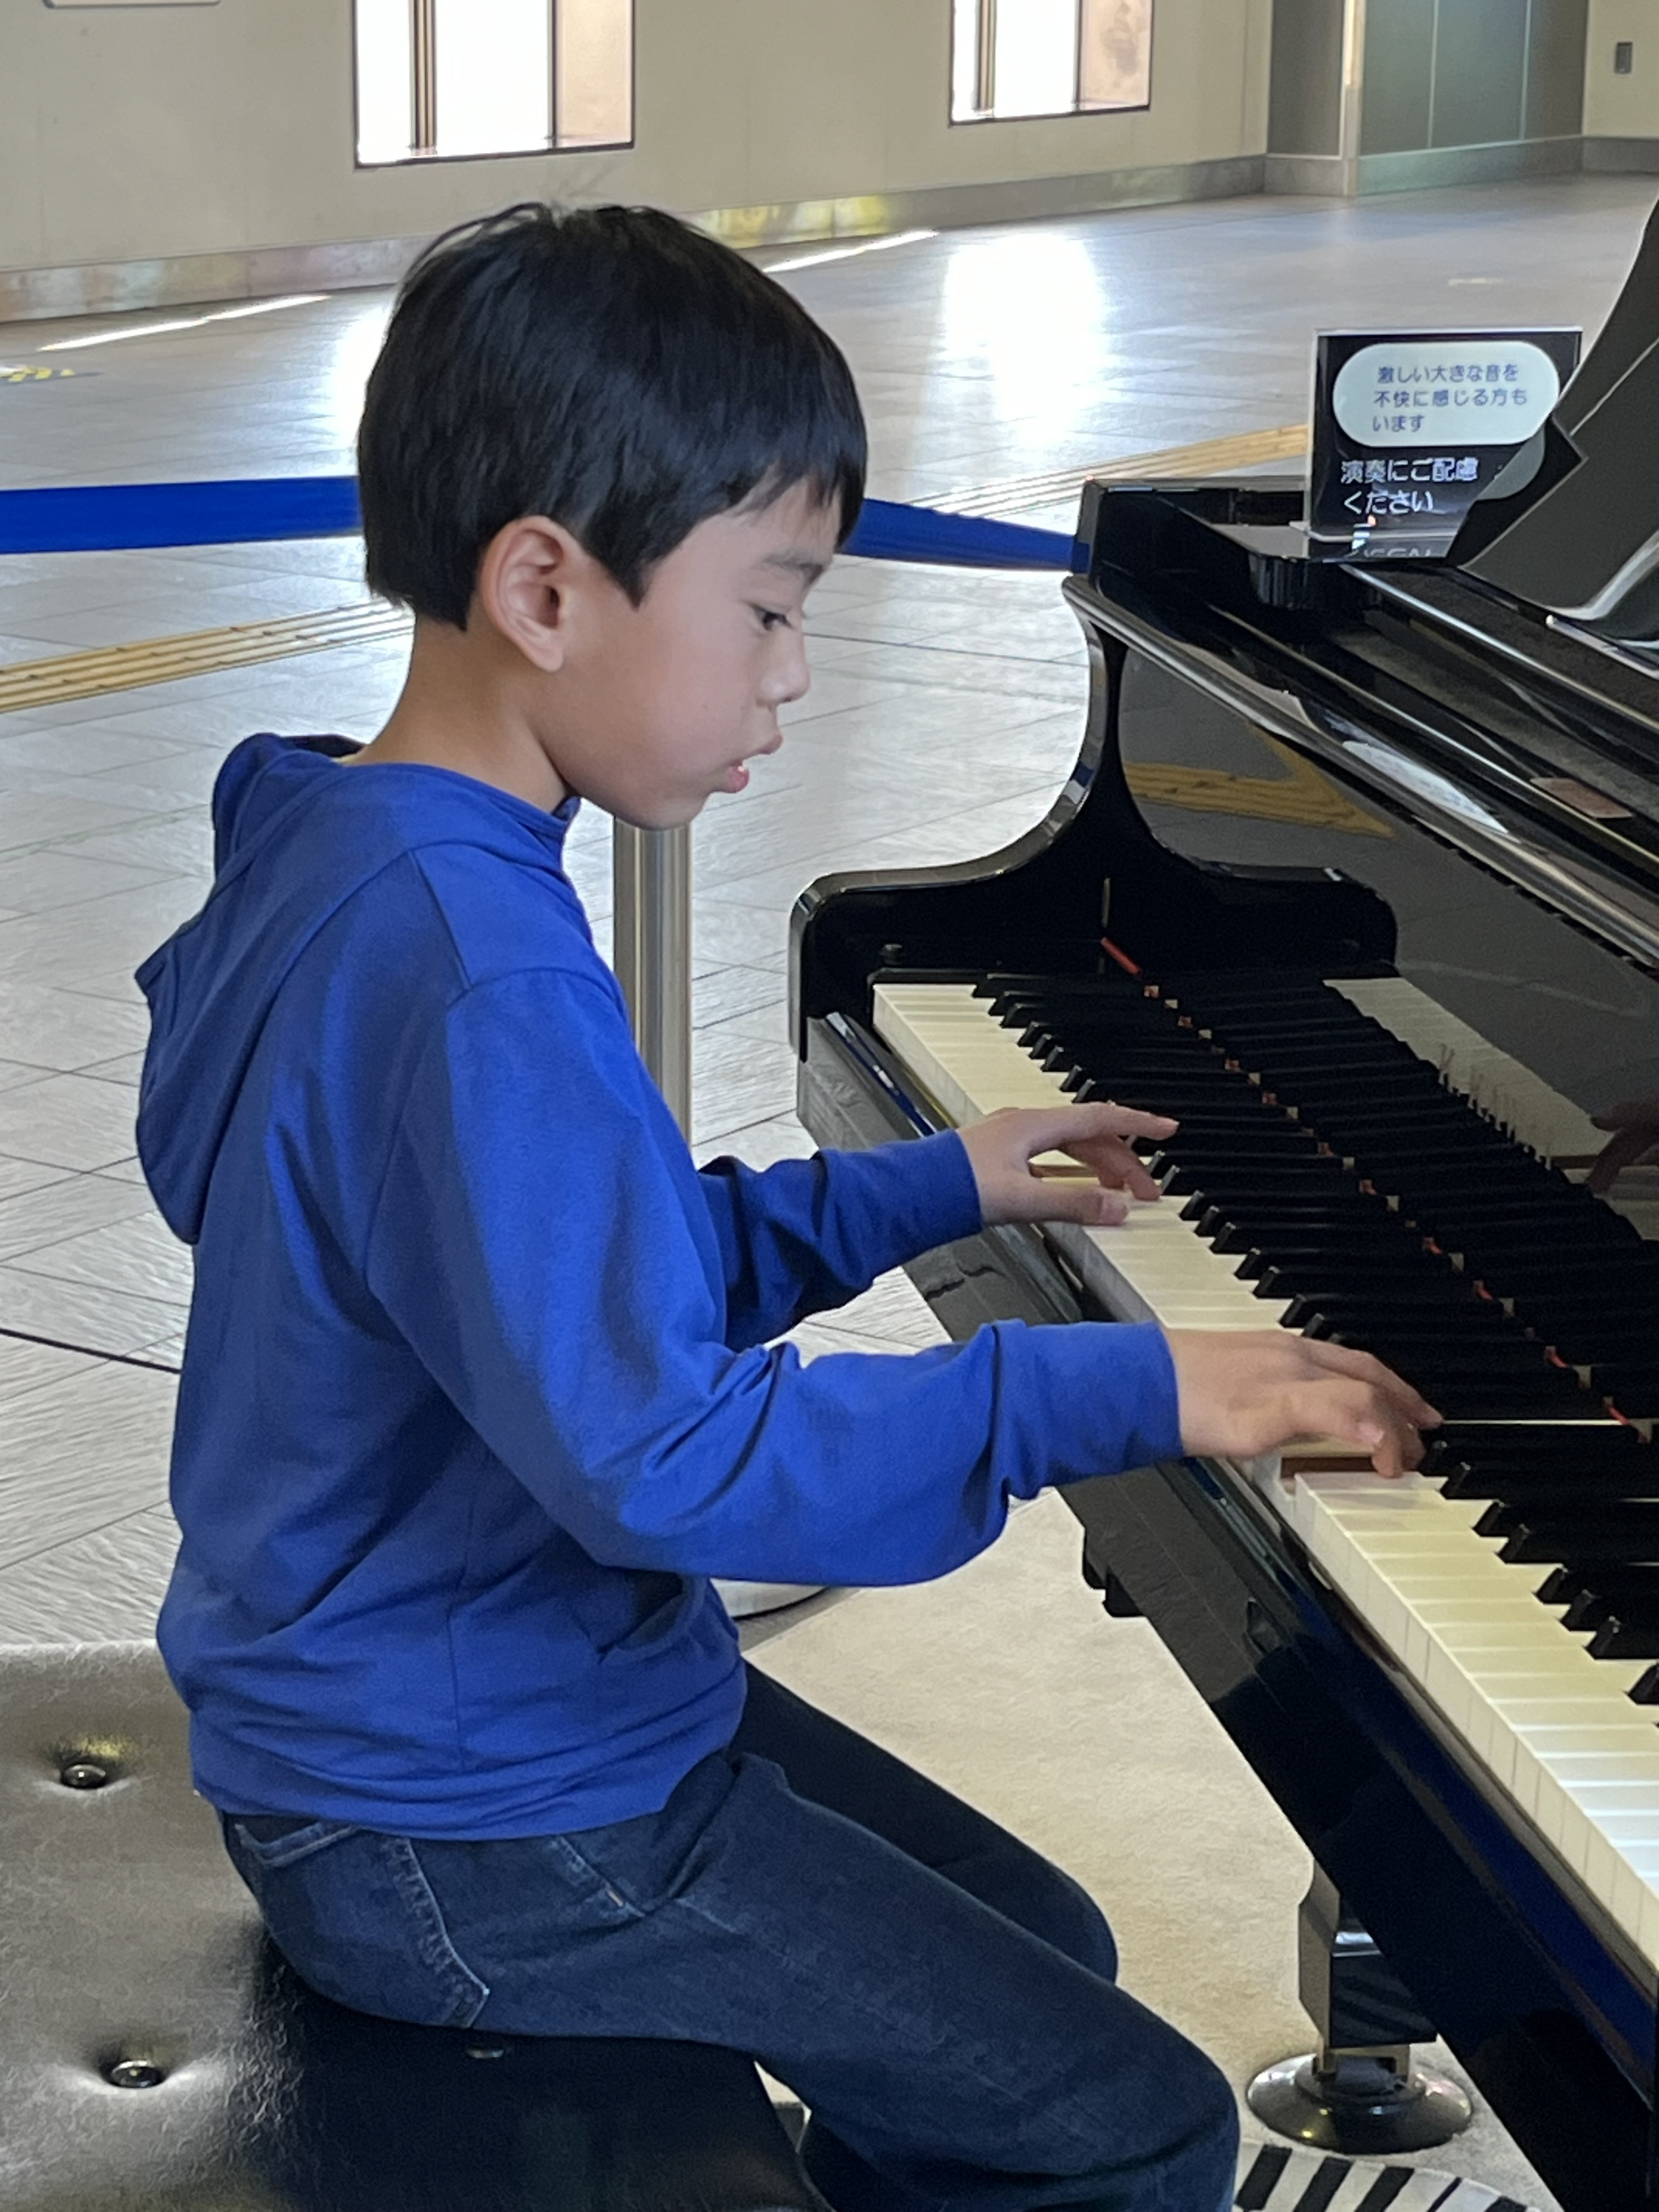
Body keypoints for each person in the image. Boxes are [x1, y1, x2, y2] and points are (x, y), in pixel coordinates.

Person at [134, 204, 1434, 2212]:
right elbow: (662, 1453)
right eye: (767, 605)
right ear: (548, 588)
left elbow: (567, 1292)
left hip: (457, 1727)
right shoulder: (474, 970)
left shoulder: (340, 848)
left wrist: (933, 1184)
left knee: (1054, 1952)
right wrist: (1115, 1388)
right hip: (469, 1820)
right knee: (1136, 2129)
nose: (798, 673)